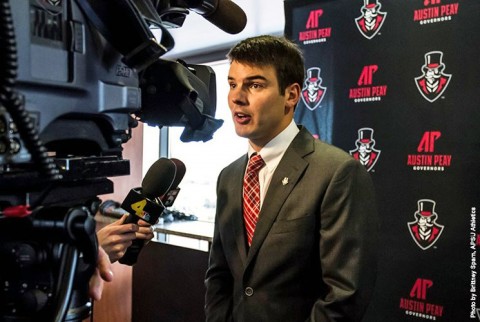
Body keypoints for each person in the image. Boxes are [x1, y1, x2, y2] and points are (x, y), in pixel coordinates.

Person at [204, 35, 379, 321]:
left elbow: (345, 294)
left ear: (291, 94)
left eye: (255, 85)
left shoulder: (337, 172)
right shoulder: (229, 176)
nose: (237, 96)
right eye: (233, 84)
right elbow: (219, 275)